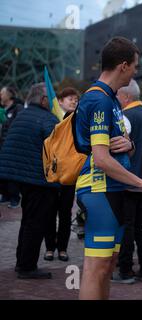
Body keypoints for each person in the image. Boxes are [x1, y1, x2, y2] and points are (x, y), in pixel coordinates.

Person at [75, 36, 142, 300]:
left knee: (107, 266)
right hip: (100, 190)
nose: (136, 71)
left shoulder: (111, 100)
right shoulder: (99, 99)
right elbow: (100, 158)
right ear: (123, 65)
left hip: (113, 191)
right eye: (134, 66)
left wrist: (129, 145)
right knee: (96, 269)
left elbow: (114, 148)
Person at [0, 83, 59, 279]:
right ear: (43, 100)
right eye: (51, 99)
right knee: (36, 222)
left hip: (20, 177)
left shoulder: (22, 115)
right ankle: (27, 266)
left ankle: (21, 261)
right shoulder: (47, 119)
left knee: (27, 220)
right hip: (38, 179)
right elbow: (56, 150)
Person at [112, 79, 142, 284]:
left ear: (126, 97)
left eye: (117, 95)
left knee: (127, 226)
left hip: (128, 180)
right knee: (141, 226)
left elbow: (119, 149)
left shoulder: (125, 117)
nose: (115, 99)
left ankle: (126, 270)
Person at [42, 87, 81, 262]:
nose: (73, 101)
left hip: (69, 173)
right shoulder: (52, 120)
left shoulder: (77, 120)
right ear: (59, 101)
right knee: (49, 212)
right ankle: (50, 247)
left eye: (75, 99)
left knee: (65, 213)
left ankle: (62, 248)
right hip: (52, 173)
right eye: (69, 98)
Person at [0, 86, 24, 209]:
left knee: (12, 173)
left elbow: (18, 127)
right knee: (2, 171)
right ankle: (5, 195)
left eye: (2, 93)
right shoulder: (2, 109)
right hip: (2, 145)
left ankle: (15, 198)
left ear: (9, 95)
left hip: (12, 146)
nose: (0, 96)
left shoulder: (18, 108)